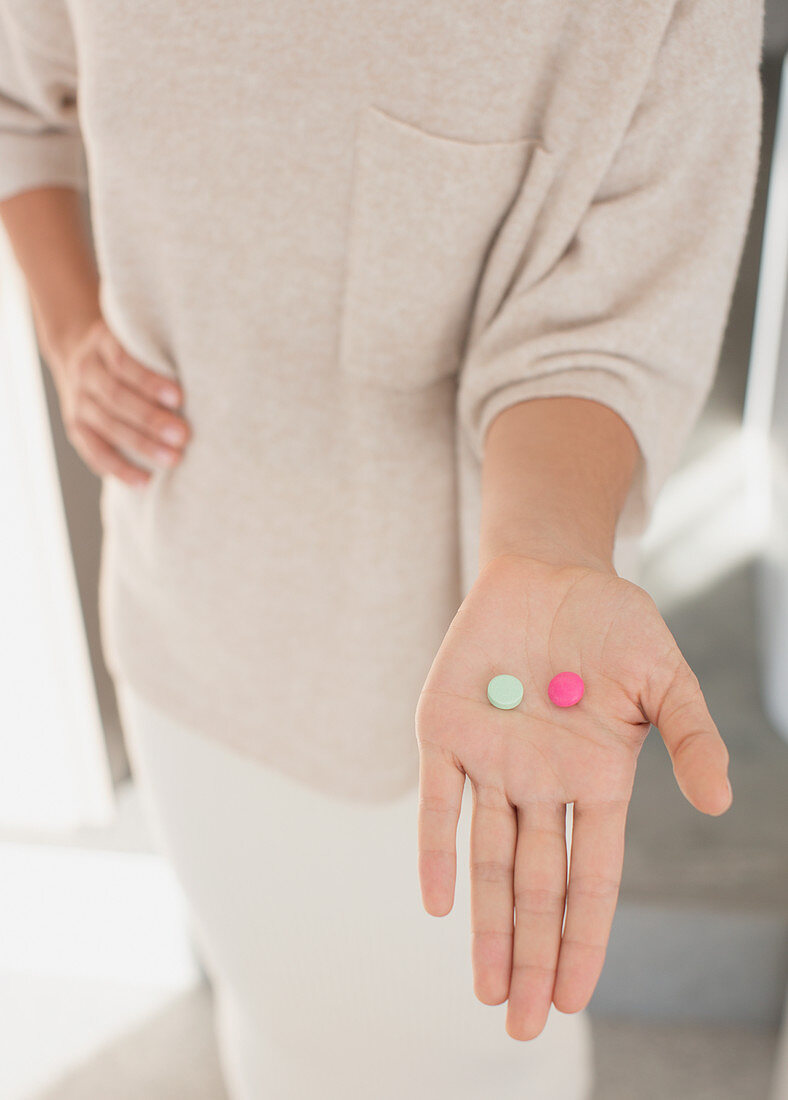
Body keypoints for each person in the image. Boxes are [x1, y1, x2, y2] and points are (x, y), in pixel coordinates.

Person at [0, 1, 764, 1096]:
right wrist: (72, 331)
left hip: (463, 704)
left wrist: (543, 552)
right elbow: (21, 108)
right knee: (274, 1035)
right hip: (188, 630)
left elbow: (601, 329)